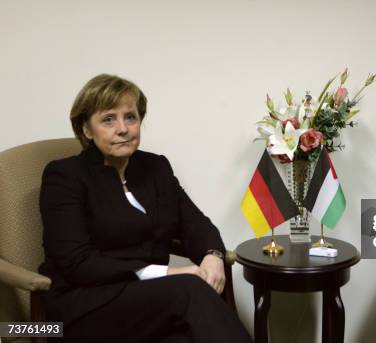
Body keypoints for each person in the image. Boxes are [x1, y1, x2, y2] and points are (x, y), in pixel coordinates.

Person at [39, 74, 252, 342]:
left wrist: (212, 255)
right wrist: (165, 273)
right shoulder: (64, 176)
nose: (123, 128)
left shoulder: (156, 168)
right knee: (190, 288)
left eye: (131, 117)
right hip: (83, 309)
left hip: (150, 307)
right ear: (86, 129)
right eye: (108, 119)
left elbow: (195, 223)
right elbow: (77, 262)